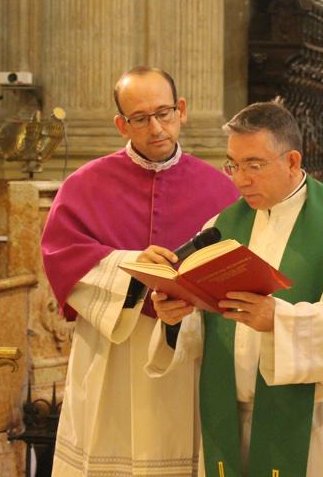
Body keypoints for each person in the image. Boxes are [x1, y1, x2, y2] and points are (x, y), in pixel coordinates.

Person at [148, 101, 323, 476]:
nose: (240, 179)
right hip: (228, 420)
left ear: (292, 161)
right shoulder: (221, 226)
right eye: (233, 164)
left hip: (311, 425)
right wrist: (174, 318)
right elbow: (205, 326)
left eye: (254, 165)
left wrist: (279, 319)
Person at [41, 67, 238, 475]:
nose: (156, 128)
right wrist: (131, 267)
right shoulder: (84, 185)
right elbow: (61, 256)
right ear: (121, 125)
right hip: (113, 351)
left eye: (164, 113)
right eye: (140, 118)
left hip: (188, 351)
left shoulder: (221, 190)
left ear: (182, 110)